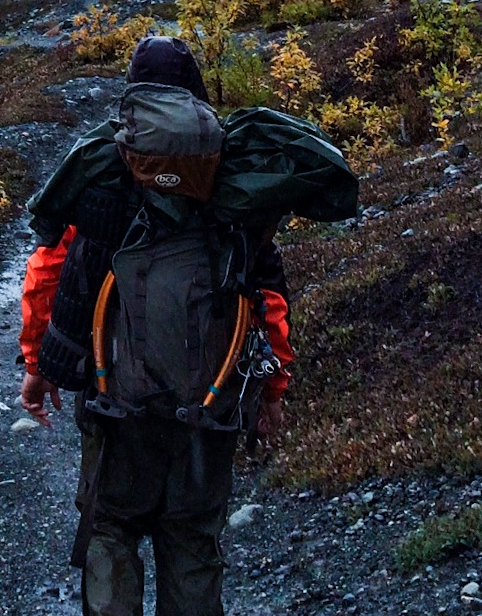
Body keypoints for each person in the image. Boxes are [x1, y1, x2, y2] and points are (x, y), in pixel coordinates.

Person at [17, 36, 294, 616]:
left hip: (119, 413)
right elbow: (267, 298)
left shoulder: (108, 174)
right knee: (192, 542)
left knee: (110, 534)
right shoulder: (231, 185)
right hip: (208, 411)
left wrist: (37, 365)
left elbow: (47, 272)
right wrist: (272, 390)